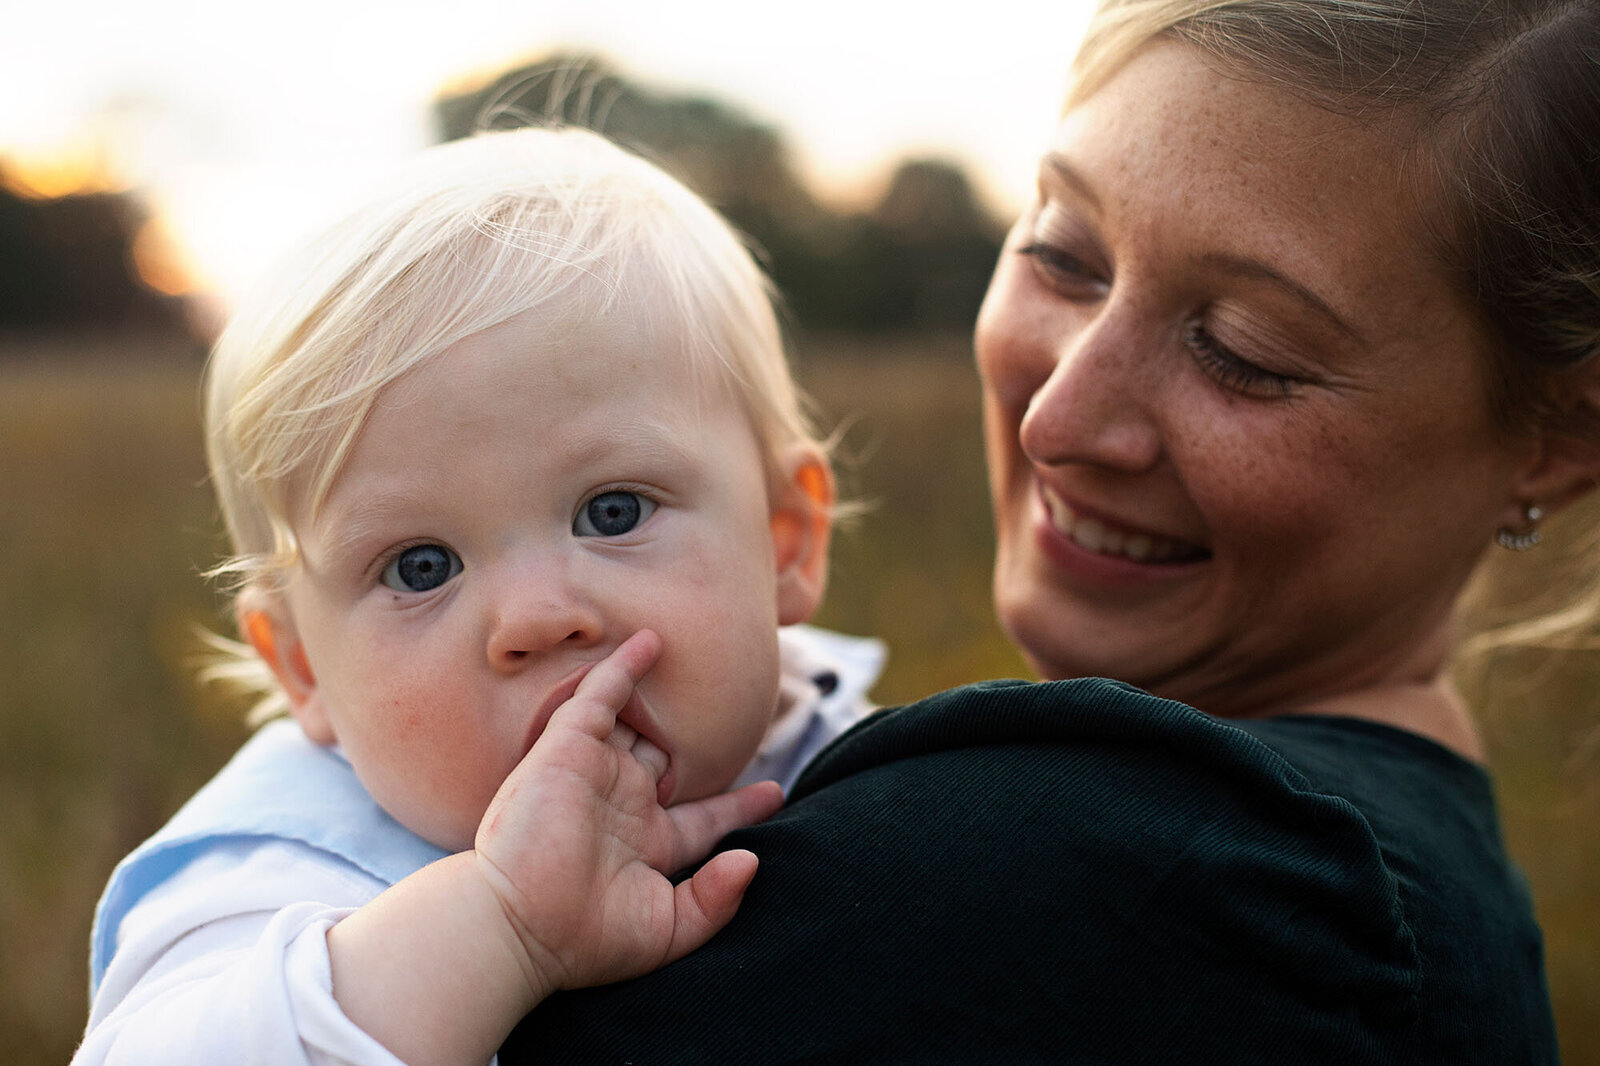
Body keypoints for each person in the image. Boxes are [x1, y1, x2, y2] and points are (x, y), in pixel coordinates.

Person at [496, 0, 1597, 1062]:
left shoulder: (1137, 866)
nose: (1054, 418)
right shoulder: (1425, 893)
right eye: (1063, 254)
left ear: (1557, 435)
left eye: (1243, 349)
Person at [75, 126, 883, 1066]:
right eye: (422, 566)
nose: (538, 618)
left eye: (612, 510)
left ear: (785, 541)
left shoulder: (867, 759)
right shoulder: (275, 869)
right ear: (303, 667)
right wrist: (501, 923)